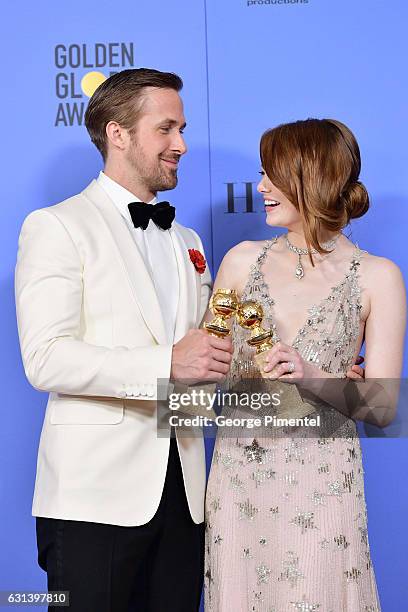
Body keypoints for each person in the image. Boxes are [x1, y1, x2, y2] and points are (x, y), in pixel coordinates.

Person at [15, 68, 233, 612]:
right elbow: (45, 359)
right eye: (166, 129)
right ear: (118, 133)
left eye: (182, 128)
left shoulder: (187, 240)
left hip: (184, 497)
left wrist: (321, 381)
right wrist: (169, 363)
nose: (181, 144)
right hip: (92, 500)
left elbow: (204, 360)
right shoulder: (57, 226)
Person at [204, 118, 406, 611]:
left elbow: (382, 409)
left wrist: (315, 377)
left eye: (272, 175)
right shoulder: (239, 261)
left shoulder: (378, 278)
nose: (261, 188)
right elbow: (201, 380)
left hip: (323, 481)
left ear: (309, 177)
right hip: (238, 481)